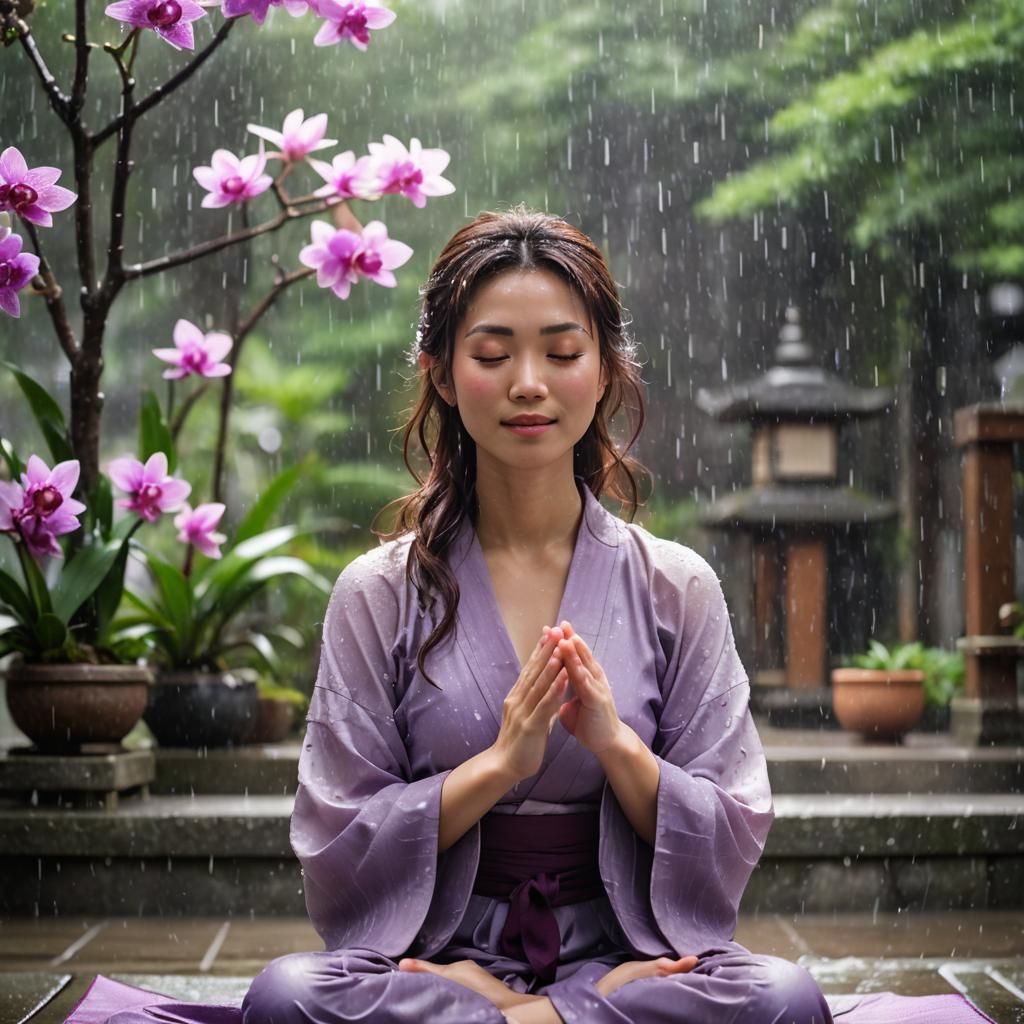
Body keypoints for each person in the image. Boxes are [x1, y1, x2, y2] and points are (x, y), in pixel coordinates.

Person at [239, 205, 833, 1024]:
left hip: (633, 953)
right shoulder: (377, 593)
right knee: (287, 999)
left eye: (561, 352)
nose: (529, 382)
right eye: (492, 353)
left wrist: (616, 745)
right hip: (436, 953)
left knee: (783, 999)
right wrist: (499, 767)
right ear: (442, 373)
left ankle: (531, 1017)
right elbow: (339, 836)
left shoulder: (675, 585)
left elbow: (729, 821)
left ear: (605, 369)